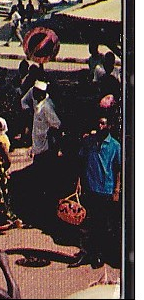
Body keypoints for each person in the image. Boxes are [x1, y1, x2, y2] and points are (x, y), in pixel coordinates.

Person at [70, 115, 121, 269]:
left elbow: (118, 169)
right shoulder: (89, 142)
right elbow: (81, 162)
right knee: (88, 223)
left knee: (103, 224)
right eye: (98, 123)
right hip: (90, 187)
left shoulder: (115, 146)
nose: (100, 126)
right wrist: (78, 182)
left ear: (109, 126)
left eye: (103, 123)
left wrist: (117, 189)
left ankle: (100, 255)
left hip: (106, 189)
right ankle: (89, 252)